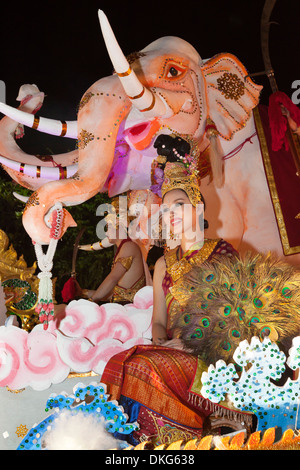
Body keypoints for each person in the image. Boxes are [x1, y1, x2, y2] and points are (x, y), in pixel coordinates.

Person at [101, 162, 253, 447]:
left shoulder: (222, 253)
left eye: (179, 204)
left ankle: (181, 441)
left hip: (211, 355)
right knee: (120, 363)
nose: (170, 213)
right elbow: (158, 320)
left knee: (144, 368)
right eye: (166, 208)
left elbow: (234, 318)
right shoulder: (162, 263)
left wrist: (190, 344)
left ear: (198, 207)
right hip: (170, 352)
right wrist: (162, 342)